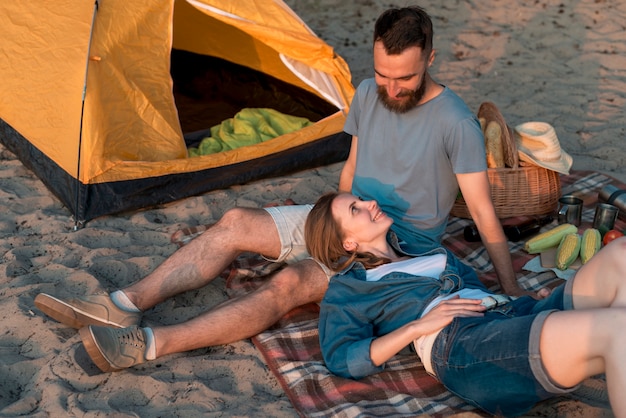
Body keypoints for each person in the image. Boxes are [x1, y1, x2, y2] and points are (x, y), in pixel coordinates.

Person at [34, 6, 536, 373]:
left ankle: (146, 344)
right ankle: (122, 303)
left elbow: (483, 215)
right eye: (382, 73)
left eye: (403, 77)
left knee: (290, 284)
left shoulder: (457, 123)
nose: (391, 88)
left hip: (389, 244)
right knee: (235, 223)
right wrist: (322, 218)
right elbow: (351, 172)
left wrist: (509, 289)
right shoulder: (366, 93)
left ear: (430, 57)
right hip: (344, 214)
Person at [305, 191, 626, 417]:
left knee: (620, 253)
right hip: (463, 342)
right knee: (618, 327)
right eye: (355, 209)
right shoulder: (349, 289)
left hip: (510, 313)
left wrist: (516, 300)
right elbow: (342, 358)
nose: (370, 203)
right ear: (348, 242)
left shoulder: (423, 250)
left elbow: (472, 288)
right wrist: (416, 327)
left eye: (361, 200)